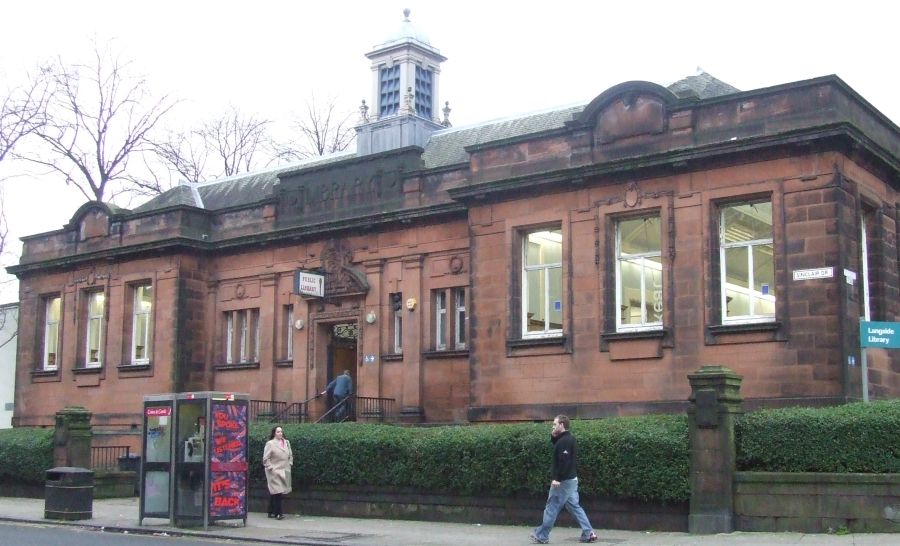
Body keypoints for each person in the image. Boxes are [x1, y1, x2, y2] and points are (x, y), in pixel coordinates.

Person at [530, 415, 598, 544]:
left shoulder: (565, 441)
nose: (553, 426)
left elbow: (564, 461)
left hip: (563, 482)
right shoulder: (567, 439)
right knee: (574, 506)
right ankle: (588, 533)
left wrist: (557, 478)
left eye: (555, 424)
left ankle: (542, 535)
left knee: (552, 507)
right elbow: (558, 448)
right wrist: (553, 436)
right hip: (571, 480)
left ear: (562, 425)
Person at [262, 425, 293, 520]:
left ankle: (270, 511)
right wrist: (271, 468)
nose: (280, 433)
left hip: (285, 470)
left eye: (281, 431)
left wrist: (290, 463)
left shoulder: (287, 442)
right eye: (278, 432)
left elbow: (290, 454)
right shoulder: (270, 444)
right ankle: (278, 513)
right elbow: (265, 458)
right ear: (274, 433)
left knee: (278, 492)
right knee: (277, 492)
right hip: (274, 471)